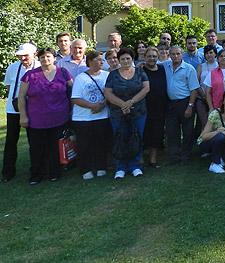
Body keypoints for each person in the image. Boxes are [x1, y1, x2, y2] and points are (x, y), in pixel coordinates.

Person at [17, 47, 73, 185]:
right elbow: (21, 97)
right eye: (42, 57)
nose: (45, 59)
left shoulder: (63, 73)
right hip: (36, 120)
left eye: (48, 56)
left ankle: (54, 172)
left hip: (60, 118)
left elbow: (72, 92)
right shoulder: (30, 75)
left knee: (55, 147)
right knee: (37, 148)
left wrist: (72, 112)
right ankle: (36, 174)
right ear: (39, 58)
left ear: (54, 58)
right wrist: (23, 116)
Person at [104, 47, 150, 178]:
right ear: (119, 60)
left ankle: (135, 166)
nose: (125, 61)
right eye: (123, 59)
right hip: (118, 113)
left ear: (132, 59)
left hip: (138, 112)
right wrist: (122, 104)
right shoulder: (113, 75)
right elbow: (107, 92)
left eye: (128, 58)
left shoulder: (140, 72)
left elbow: (146, 88)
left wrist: (131, 102)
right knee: (120, 138)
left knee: (136, 137)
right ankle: (120, 167)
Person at [70, 49, 111, 180]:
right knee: (84, 144)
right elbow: (75, 98)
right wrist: (93, 106)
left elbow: (110, 93)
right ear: (90, 61)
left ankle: (101, 166)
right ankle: (85, 169)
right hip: (83, 117)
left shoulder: (107, 75)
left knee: (101, 142)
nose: (101, 62)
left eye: (102, 60)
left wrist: (103, 104)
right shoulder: (80, 78)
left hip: (102, 116)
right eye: (98, 59)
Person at [2, 43, 39, 182]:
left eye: (26, 55)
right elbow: (8, 86)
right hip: (13, 110)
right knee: (11, 141)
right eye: (20, 56)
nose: (23, 58)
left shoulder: (39, 67)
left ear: (34, 54)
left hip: (34, 109)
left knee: (34, 140)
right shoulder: (12, 67)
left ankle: (36, 171)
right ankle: (8, 172)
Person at [163, 45, 200, 164]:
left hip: (185, 102)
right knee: (172, 130)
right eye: (173, 54)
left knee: (187, 130)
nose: (175, 56)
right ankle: (174, 156)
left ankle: (186, 155)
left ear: (182, 54)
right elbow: (153, 65)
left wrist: (190, 106)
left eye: (178, 54)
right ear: (169, 55)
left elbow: (194, 89)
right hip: (171, 103)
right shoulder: (165, 66)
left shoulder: (189, 69)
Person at [141, 46, 168, 168]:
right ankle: (140, 158)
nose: (152, 58)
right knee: (143, 132)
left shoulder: (162, 69)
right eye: (149, 56)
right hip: (144, 106)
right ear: (144, 57)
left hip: (160, 106)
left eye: (154, 56)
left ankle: (153, 160)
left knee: (157, 133)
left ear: (158, 57)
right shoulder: (140, 70)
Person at [195, 45, 218, 137]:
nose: (209, 55)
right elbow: (196, 82)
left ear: (215, 54)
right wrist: (203, 95)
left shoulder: (219, 66)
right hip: (202, 98)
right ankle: (203, 141)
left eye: (211, 52)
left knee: (215, 122)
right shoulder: (201, 66)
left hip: (216, 99)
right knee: (204, 122)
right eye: (207, 53)